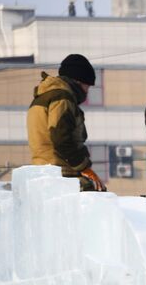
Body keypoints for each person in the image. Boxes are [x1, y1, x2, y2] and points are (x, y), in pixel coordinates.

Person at [27, 54, 106, 191]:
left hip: (44, 170)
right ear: (78, 81)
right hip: (61, 173)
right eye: (87, 86)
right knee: (98, 196)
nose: (87, 91)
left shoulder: (44, 96)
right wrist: (84, 167)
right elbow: (61, 138)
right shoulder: (62, 98)